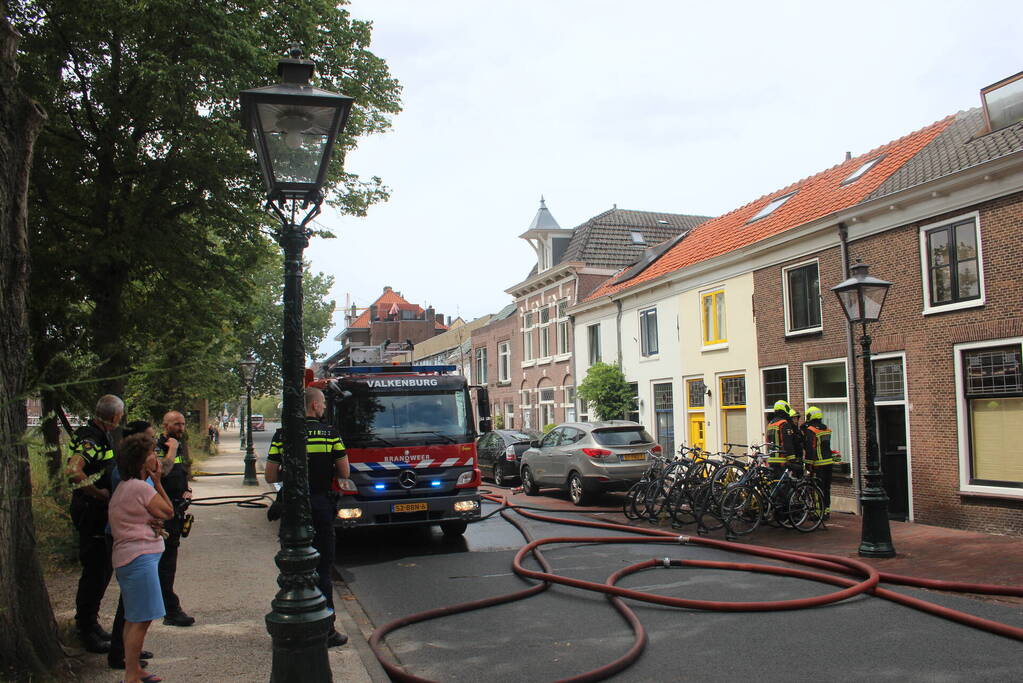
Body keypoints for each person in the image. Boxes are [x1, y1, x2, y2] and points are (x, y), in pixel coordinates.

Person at [265, 387, 350, 648]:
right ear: (314, 406)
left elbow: (270, 476)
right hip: (321, 504)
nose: (323, 408)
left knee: (292, 566)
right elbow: (344, 471)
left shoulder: (284, 434)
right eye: (322, 404)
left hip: (293, 508)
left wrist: (291, 475)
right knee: (323, 567)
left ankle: (292, 620)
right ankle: (327, 629)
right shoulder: (330, 434)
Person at [110, 431, 174, 683]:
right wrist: (157, 482)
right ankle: (131, 675)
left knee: (133, 617)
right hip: (139, 558)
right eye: (152, 454)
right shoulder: (140, 487)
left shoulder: (126, 487)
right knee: (142, 618)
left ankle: (133, 668)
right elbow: (168, 511)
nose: (156, 457)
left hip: (130, 557)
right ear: (142, 461)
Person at [68, 394, 123, 653]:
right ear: (114, 417)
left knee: (102, 570)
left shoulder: (103, 435)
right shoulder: (90, 438)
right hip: (91, 512)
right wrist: (98, 493)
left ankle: (93, 623)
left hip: (100, 513)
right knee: (94, 571)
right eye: (120, 415)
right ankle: (85, 629)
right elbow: (74, 470)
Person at [155, 411, 195, 627]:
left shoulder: (177, 445)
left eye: (182, 424)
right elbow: (161, 472)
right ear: (165, 425)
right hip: (164, 513)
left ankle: (168, 607)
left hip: (176, 511)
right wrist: (171, 448)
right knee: (165, 564)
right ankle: (170, 610)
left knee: (169, 562)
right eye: (176, 424)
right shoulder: (160, 446)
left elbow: (178, 473)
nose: (180, 428)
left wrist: (186, 491)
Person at [801, 406, 836, 518]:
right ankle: (826, 511)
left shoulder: (811, 431)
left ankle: (817, 512)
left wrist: (808, 464)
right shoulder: (826, 429)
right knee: (826, 488)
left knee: (817, 489)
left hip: (818, 465)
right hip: (828, 463)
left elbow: (811, 448)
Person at [765, 399, 802, 477]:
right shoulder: (784, 424)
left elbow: (767, 441)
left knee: (775, 484)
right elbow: (787, 443)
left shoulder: (770, 424)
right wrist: (792, 459)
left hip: (771, 460)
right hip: (782, 461)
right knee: (785, 486)